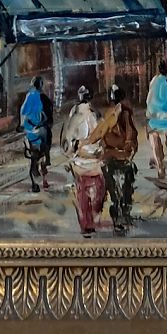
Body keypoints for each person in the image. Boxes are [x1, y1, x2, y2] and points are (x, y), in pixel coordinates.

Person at [86, 83, 139, 234]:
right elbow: (131, 135)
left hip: (110, 156)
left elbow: (99, 133)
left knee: (113, 188)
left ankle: (117, 213)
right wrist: (130, 148)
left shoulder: (111, 114)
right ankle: (123, 212)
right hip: (121, 156)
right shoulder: (124, 113)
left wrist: (88, 143)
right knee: (126, 183)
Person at [60, 86, 105, 235]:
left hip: (80, 163)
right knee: (99, 190)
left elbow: (67, 143)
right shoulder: (97, 115)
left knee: (82, 194)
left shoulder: (75, 116)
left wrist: (70, 153)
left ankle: (86, 224)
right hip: (96, 162)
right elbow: (104, 135)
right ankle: (94, 215)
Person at [146, 59, 167, 176]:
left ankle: (160, 168)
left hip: (153, 117)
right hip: (164, 118)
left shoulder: (153, 81)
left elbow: (148, 99)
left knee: (154, 139)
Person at [19, 77, 52, 193]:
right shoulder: (44, 98)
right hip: (41, 131)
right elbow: (49, 116)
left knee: (33, 154)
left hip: (29, 132)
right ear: (41, 85)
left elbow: (23, 112)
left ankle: (34, 180)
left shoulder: (28, 96)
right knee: (45, 141)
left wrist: (22, 125)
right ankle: (46, 159)